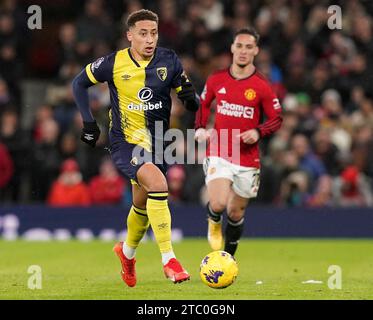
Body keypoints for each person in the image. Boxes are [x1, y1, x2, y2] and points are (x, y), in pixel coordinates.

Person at [72, 9, 199, 286]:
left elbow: (189, 98)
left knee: (142, 205)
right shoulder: (113, 63)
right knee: (158, 183)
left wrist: (192, 100)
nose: (149, 39)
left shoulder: (169, 60)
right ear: (129, 35)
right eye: (143, 33)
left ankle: (127, 253)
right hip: (126, 143)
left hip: (159, 144)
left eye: (153, 33)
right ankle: (169, 260)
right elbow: (79, 83)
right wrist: (89, 124)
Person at [194, 27, 282, 256]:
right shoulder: (216, 78)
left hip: (247, 157)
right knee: (219, 203)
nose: (243, 51)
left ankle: (228, 257)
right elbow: (203, 104)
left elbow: (276, 119)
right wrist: (200, 128)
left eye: (248, 47)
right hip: (220, 150)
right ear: (233, 48)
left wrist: (258, 131)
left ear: (256, 51)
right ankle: (213, 220)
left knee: (235, 213)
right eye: (239, 46)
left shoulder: (262, 86)